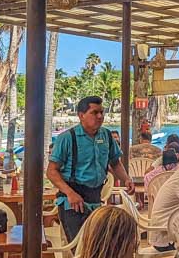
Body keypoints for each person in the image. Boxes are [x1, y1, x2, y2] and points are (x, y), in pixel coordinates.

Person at [47, 96, 135, 242]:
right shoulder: (67, 138)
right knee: (80, 249)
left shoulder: (106, 136)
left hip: (96, 199)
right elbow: (51, 171)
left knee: (99, 246)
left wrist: (126, 179)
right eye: (94, 113)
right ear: (81, 116)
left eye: (102, 112)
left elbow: (115, 162)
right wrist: (70, 193)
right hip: (73, 201)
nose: (100, 116)